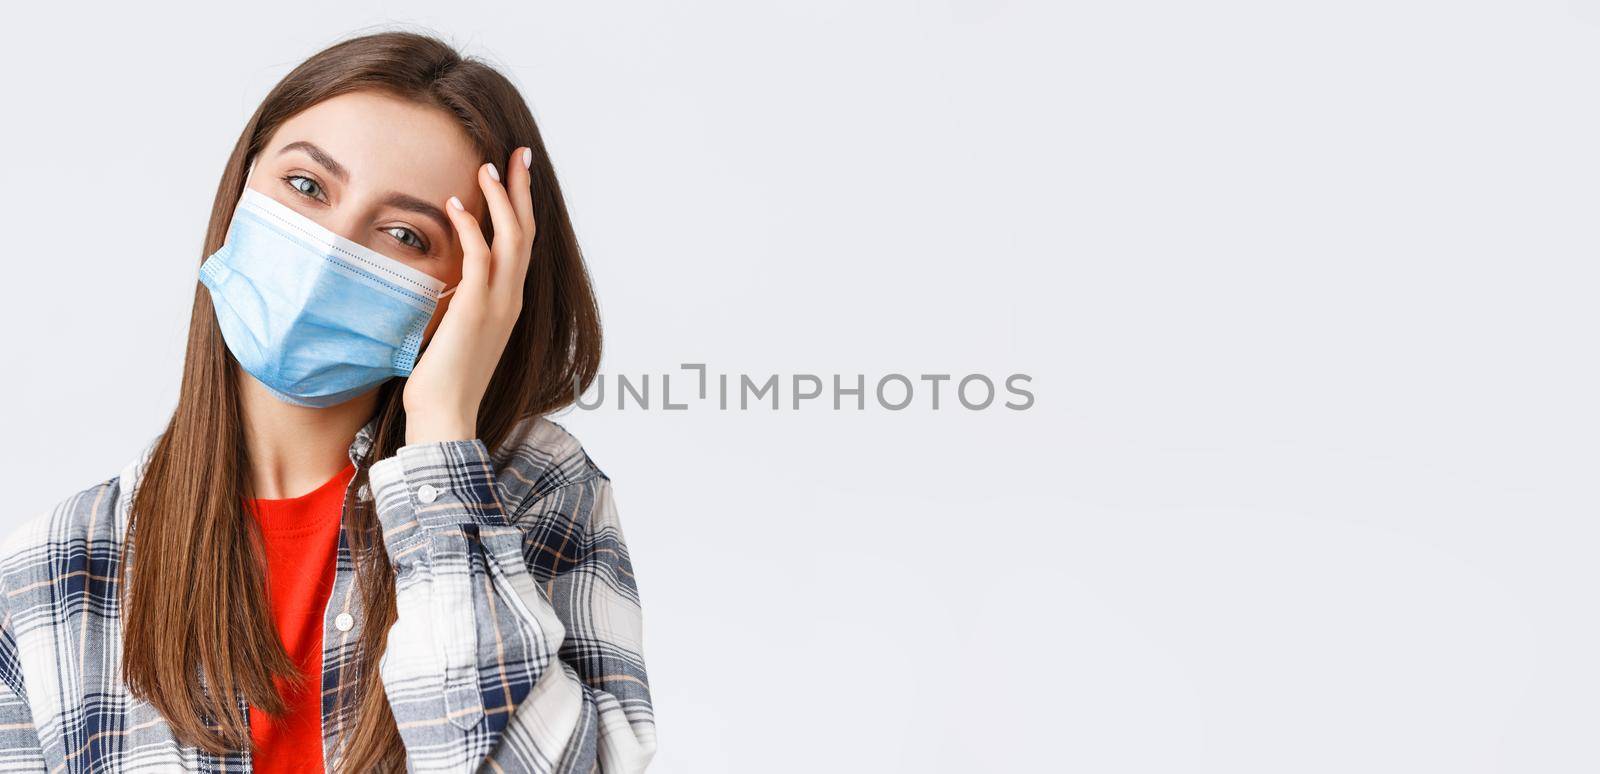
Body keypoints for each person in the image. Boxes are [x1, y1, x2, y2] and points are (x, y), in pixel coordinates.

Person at [0, 31, 655, 773]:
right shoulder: (51, 571)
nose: (331, 249)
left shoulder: (537, 492)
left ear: (471, 289)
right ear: (242, 187)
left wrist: (442, 436)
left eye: (405, 235)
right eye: (307, 187)